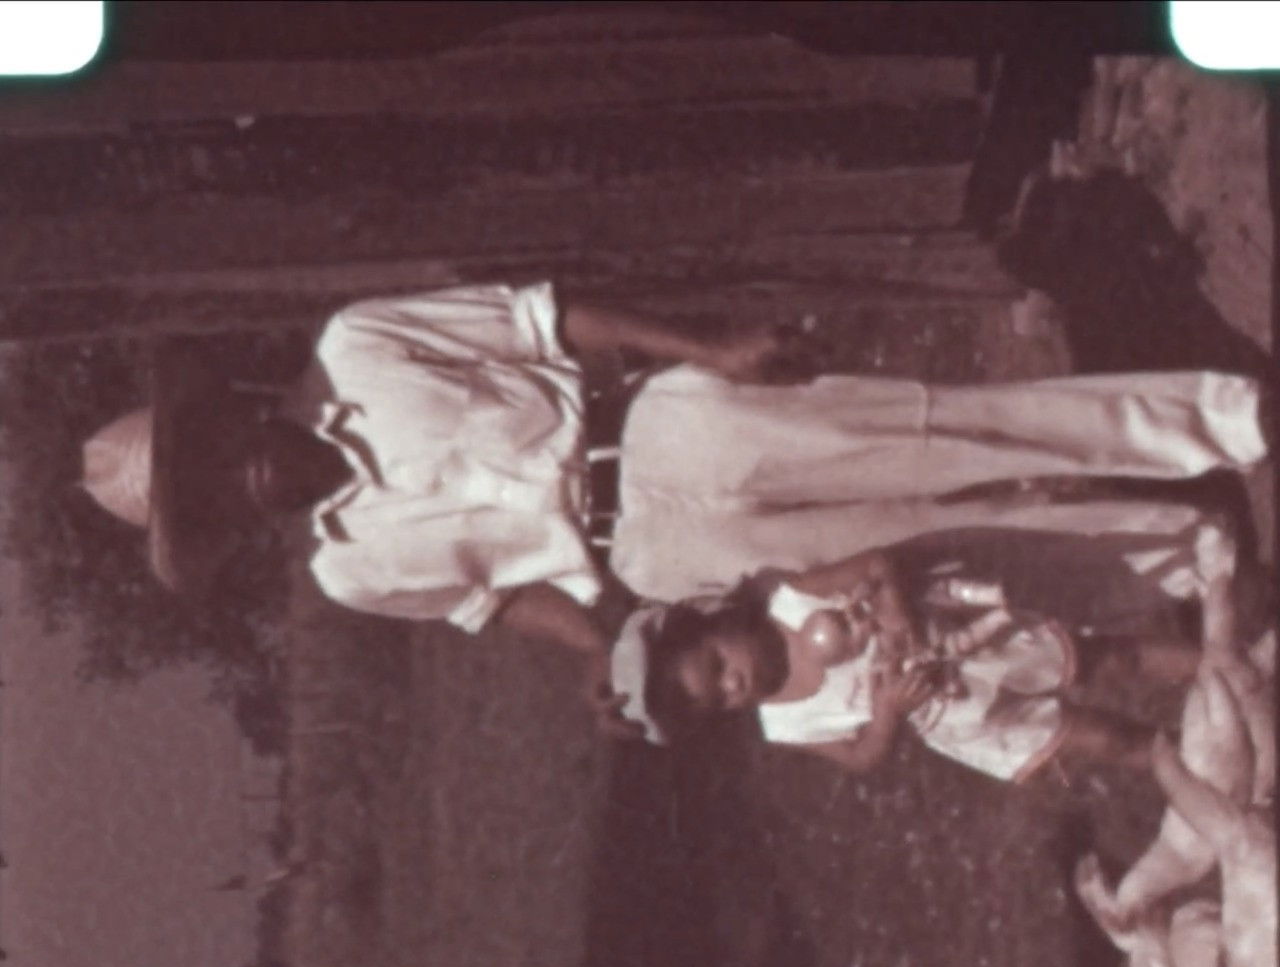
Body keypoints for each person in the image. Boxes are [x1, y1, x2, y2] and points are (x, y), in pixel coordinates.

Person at [80, 278, 1269, 734]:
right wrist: (607, 654)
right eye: (208, 505)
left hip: (665, 426)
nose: (236, 481)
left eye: (211, 452)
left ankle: (1219, 423)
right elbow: (497, 604)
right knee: (940, 545)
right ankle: (1190, 549)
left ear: (229, 409)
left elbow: (545, 320)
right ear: (225, 535)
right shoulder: (350, 570)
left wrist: (707, 345)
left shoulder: (357, 345)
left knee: (942, 429)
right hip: (659, 554)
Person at [606, 526, 1217, 783]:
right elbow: (861, 758)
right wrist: (886, 716)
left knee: (1107, 659)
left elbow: (877, 566)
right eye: (721, 700)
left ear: (713, 621)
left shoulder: (790, 600)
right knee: (1098, 739)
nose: (734, 685)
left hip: (972, 646)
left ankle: (1227, 667)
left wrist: (895, 614)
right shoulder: (785, 723)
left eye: (719, 666)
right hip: (958, 714)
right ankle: (1210, 768)